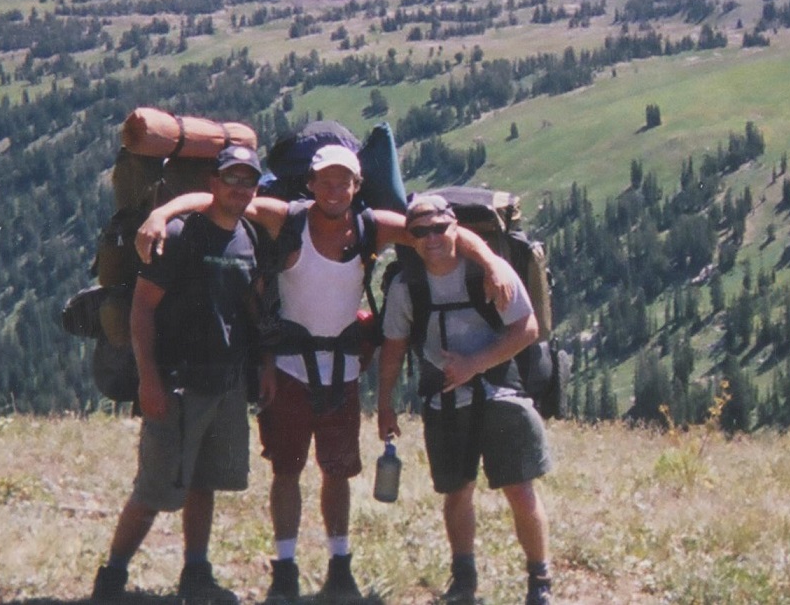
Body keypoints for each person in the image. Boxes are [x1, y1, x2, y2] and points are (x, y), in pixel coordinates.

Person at [137, 145, 512, 602]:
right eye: (326, 182)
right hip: (289, 369)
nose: (334, 191)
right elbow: (217, 201)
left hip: (342, 372)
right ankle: (286, 570)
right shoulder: (287, 219)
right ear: (311, 184)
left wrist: (490, 262)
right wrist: (162, 215)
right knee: (287, 472)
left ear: (357, 186)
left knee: (337, 473)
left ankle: (339, 567)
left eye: (344, 183)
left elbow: (439, 232)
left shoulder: (371, 227)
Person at [90, 144, 265, 604]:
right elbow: (142, 309)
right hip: (177, 383)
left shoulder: (248, 235)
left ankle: (196, 572)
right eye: (231, 178)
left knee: (205, 481)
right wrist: (148, 379)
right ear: (213, 183)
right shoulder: (180, 235)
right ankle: (111, 576)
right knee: (154, 489)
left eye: (248, 179)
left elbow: (246, 308)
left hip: (226, 384)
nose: (239, 187)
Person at [376, 194, 553, 605]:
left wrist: (475, 364)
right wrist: (385, 403)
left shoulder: (491, 272)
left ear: (455, 227)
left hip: (502, 392)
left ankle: (540, 580)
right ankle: (464, 580)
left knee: (519, 490)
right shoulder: (406, 287)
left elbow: (527, 328)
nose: (432, 238)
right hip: (445, 398)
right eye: (421, 232)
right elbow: (393, 348)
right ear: (410, 238)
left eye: (439, 228)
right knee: (457, 492)